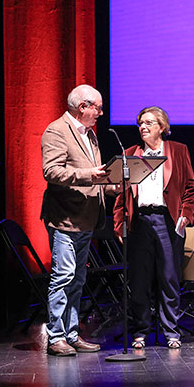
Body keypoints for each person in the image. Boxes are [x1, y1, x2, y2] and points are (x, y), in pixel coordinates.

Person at [113, 106, 194, 349]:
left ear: (162, 127)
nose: (143, 127)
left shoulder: (178, 151)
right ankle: (141, 331)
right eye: (140, 123)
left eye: (149, 122)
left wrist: (186, 216)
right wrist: (119, 224)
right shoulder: (131, 153)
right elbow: (121, 195)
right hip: (140, 221)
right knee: (139, 280)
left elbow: (190, 188)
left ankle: (171, 331)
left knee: (169, 278)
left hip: (167, 221)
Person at [39, 84, 108, 356]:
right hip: (65, 218)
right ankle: (56, 336)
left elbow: (95, 174)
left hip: (86, 218)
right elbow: (51, 171)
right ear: (83, 107)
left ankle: (71, 333)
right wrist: (89, 175)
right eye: (97, 108)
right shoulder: (57, 131)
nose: (101, 113)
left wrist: (111, 184)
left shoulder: (90, 134)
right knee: (64, 276)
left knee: (78, 279)